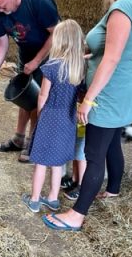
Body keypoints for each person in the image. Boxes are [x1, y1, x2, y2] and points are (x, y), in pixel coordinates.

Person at [42, 0, 132, 232]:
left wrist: (88, 100)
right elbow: (116, 52)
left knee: (93, 155)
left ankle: (76, 216)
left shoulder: (120, 10)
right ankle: (113, 189)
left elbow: (112, 58)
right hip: (127, 90)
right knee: (113, 143)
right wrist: (91, 59)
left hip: (109, 96)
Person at [0, 0, 60, 162]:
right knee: (23, 92)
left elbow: (57, 32)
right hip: (27, 51)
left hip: (50, 51)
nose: (0, 10)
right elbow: (1, 43)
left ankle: (34, 143)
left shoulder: (37, 1)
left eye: (2, 5)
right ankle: (19, 139)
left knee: (36, 96)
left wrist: (37, 61)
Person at [21, 19, 85, 212]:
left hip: (50, 117)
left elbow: (43, 95)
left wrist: (41, 115)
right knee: (58, 163)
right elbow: (79, 94)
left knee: (41, 161)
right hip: (68, 119)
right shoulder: (79, 68)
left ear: (59, 40)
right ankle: (53, 199)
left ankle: (34, 200)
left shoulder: (52, 66)